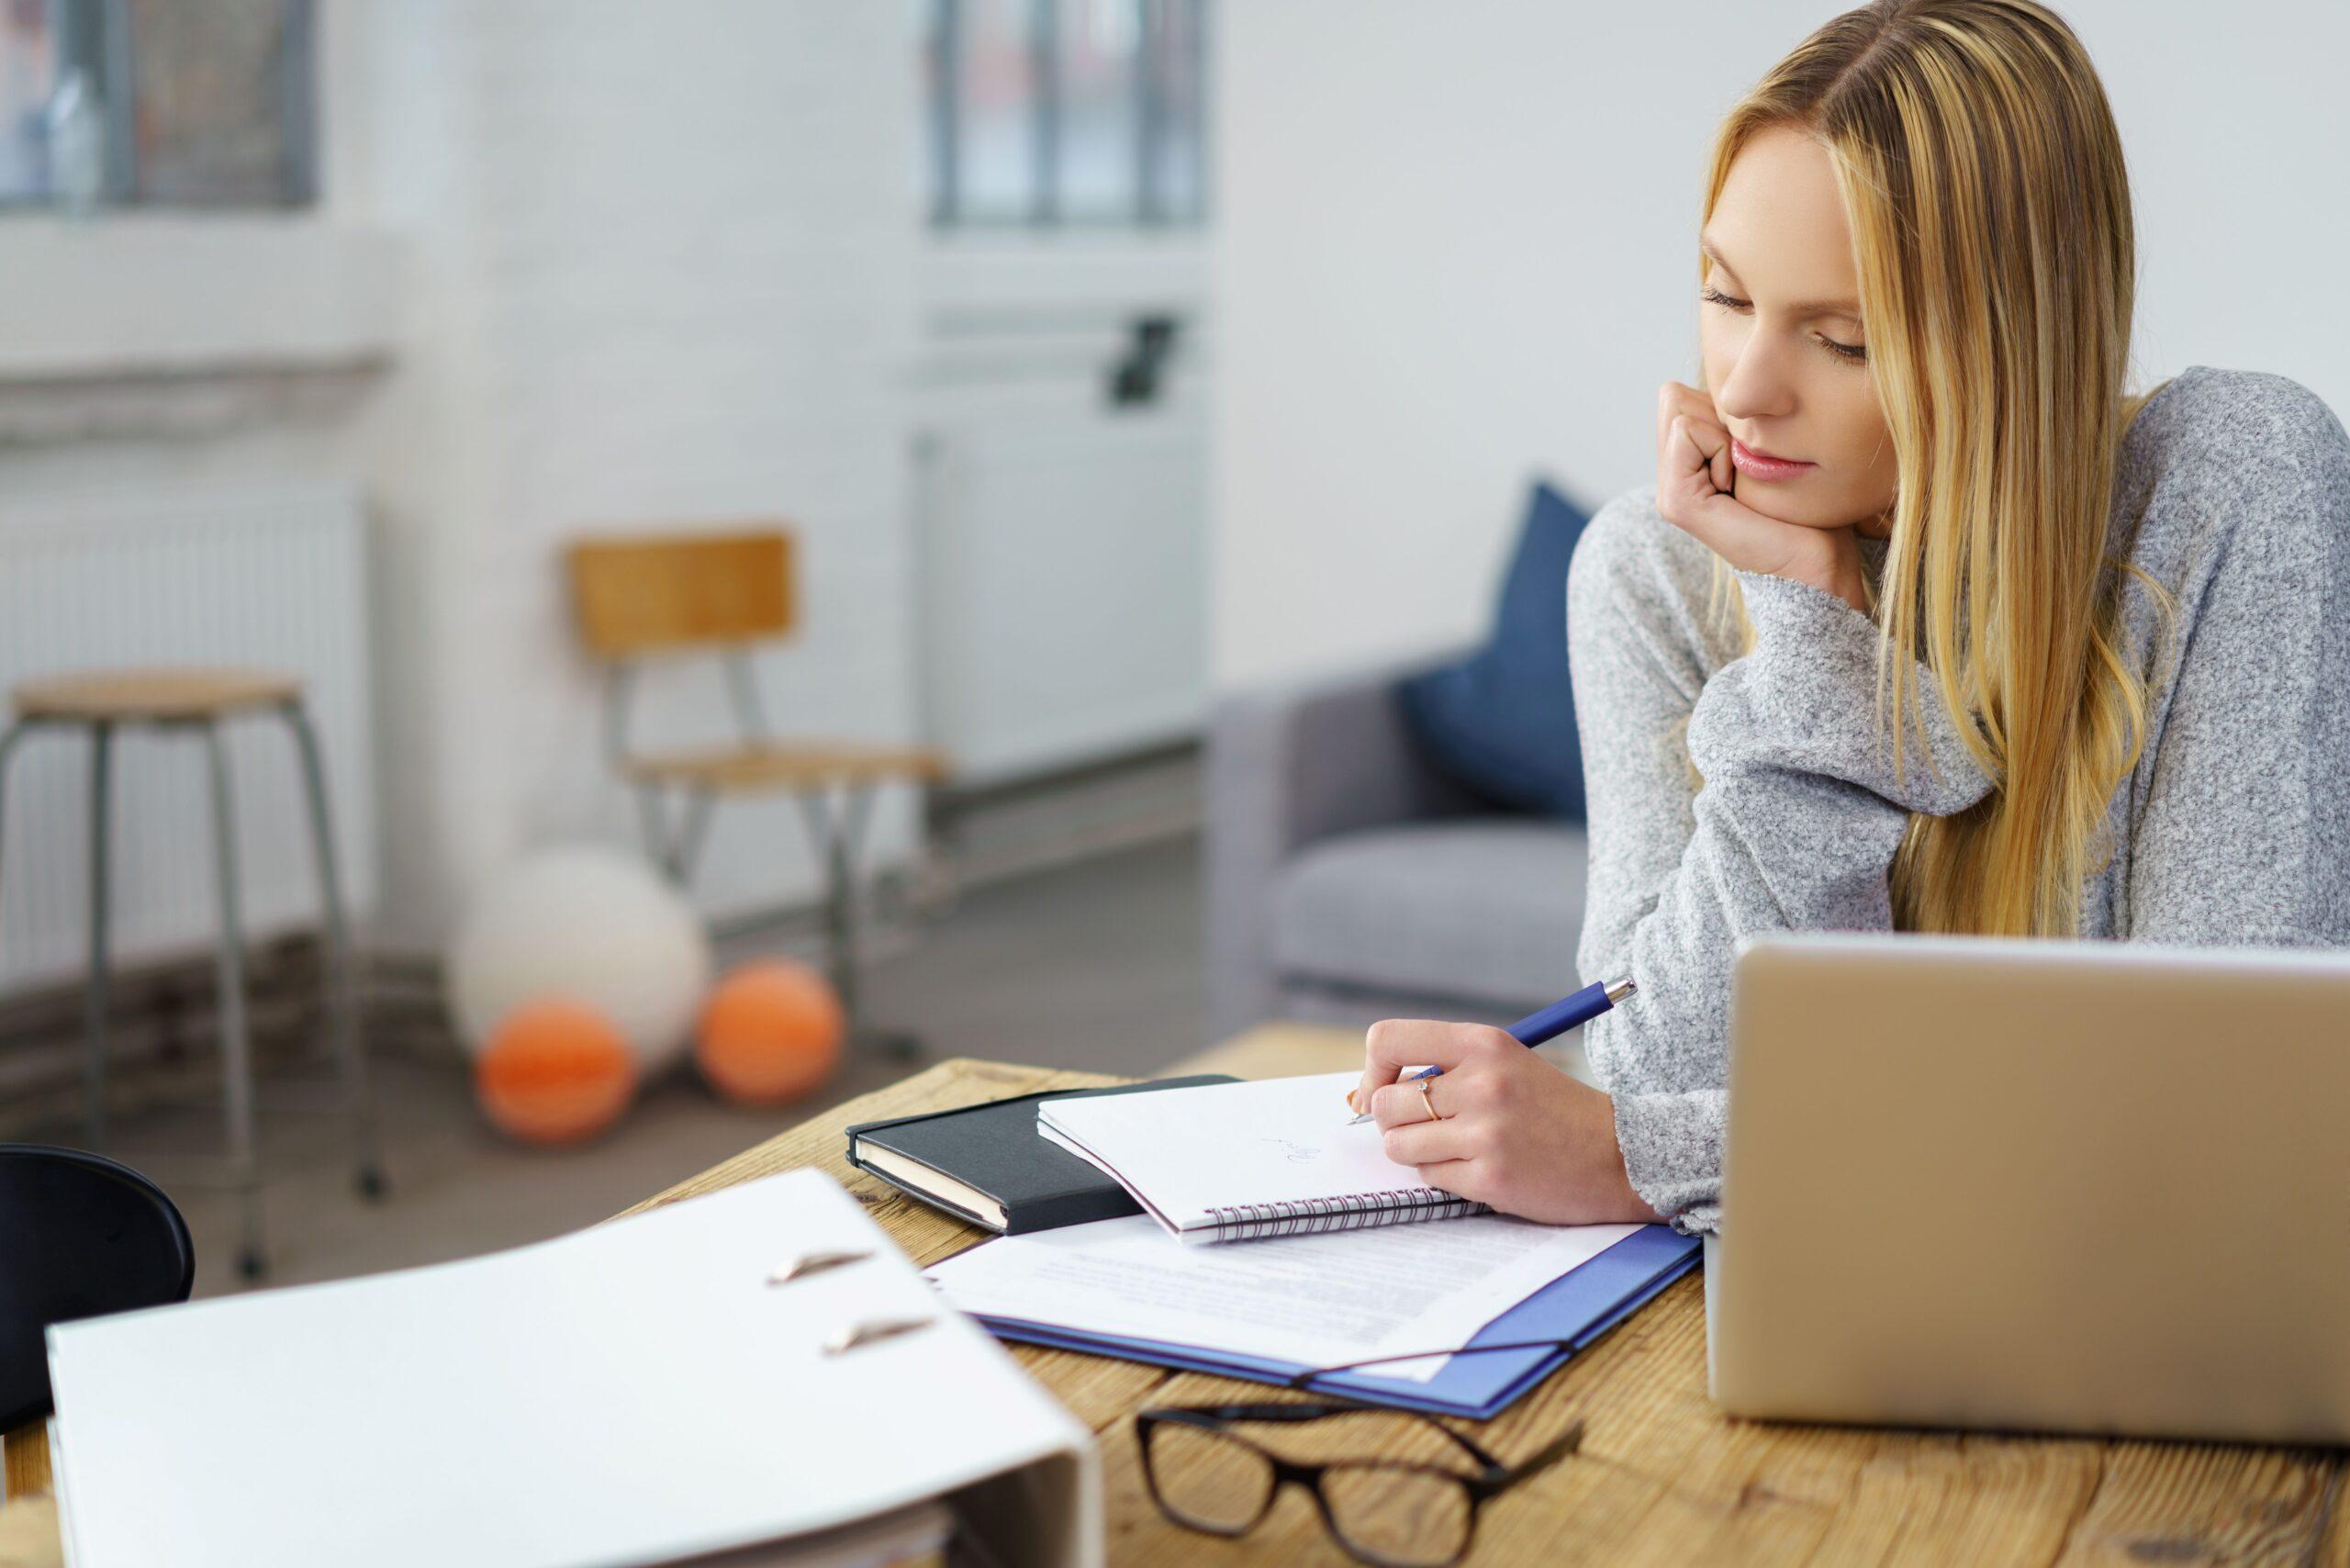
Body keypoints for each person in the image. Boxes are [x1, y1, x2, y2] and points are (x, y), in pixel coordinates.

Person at [1348, 0, 2350, 1236]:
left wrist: (1638, 1162)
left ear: (2014, 347)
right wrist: (1810, 622)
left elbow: (2235, 1111)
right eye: (1724, 295)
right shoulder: (1655, 574)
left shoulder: (2233, 484)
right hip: (1766, 1309)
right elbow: (1654, 1070)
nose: (1744, 388)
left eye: (1842, 338)